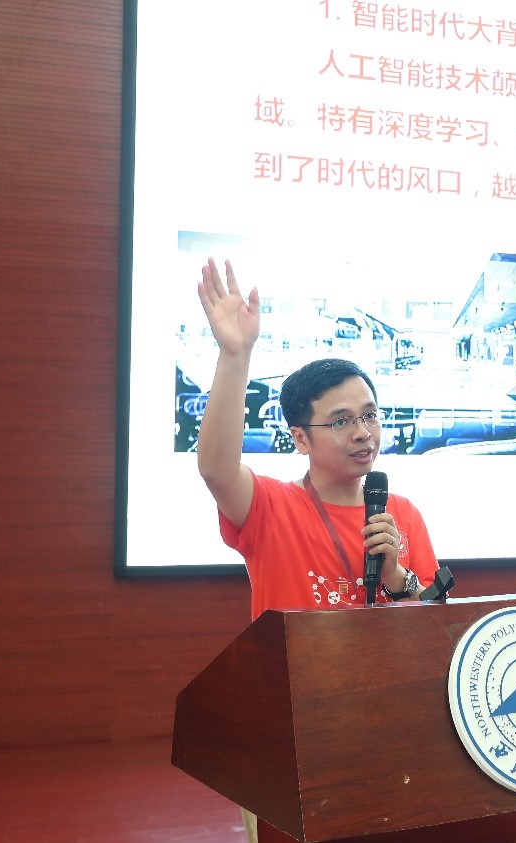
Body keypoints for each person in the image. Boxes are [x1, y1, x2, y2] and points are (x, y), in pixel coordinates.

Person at [196, 257, 441, 841]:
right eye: (342, 421)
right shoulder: (271, 506)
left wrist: (399, 578)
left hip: (387, 729)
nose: (363, 432)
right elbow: (216, 468)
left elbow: (436, 625)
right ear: (300, 437)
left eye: (370, 416)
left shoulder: (401, 513)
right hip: (293, 732)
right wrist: (235, 357)